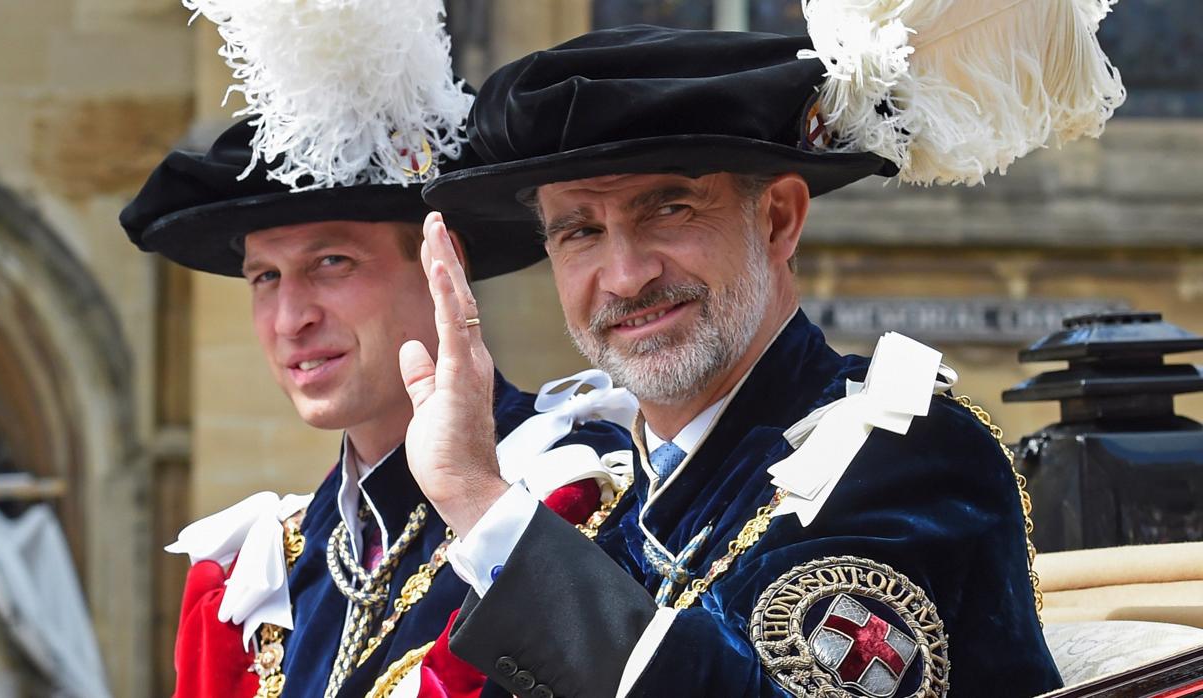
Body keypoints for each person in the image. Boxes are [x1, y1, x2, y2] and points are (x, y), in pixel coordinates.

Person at [403, 9, 1126, 698]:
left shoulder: (910, 460)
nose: (625, 277)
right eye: (579, 232)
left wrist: (479, 499)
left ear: (778, 218)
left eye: (669, 208)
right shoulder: (605, 507)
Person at [118, 4, 634, 697]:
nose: (291, 317)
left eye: (331, 263)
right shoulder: (246, 579)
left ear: (440, 266)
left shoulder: (571, 493)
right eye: (265, 277)